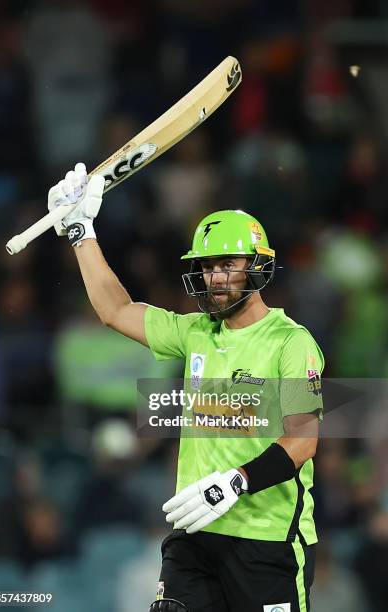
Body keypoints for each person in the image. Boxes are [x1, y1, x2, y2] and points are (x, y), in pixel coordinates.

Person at [48, 163, 324, 612]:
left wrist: (237, 483)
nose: (215, 277)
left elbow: (303, 439)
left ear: (256, 267)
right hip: (194, 534)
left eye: (227, 265)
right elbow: (116, 311)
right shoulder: (195, 331)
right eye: (207, 266)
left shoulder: (292, 342)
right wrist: (82, 234)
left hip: (268, 539)